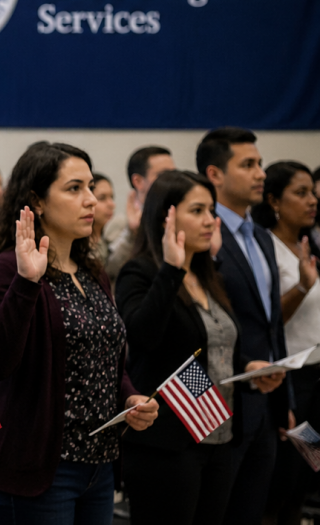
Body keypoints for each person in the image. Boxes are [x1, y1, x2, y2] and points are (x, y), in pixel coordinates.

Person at [0, 142, 157, 523]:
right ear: (37, 202)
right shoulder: (7, 269)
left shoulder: (91, 271)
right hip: (38, 467)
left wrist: (129, 396)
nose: (90, 200)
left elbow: (107, 358)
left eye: (90, 187)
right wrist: (27, 282)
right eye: (75, 189)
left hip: (98, 464)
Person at [116, 170, 247, 525]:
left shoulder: (209, 276)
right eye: (198, 210)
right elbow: (142, 339)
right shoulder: (140, 272)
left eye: (212, 210)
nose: (210, 220)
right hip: (167, 442)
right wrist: (172, 270)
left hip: (218, 435)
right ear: (167, 217)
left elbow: (218, 345)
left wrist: (249, 369)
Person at [196, 127, 288, 525]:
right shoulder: (202, 235)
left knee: (252, 514)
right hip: (223, 404)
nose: (260, 173)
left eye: (260, 164)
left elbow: (273, 324)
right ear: (215, 174)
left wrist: (287, 404)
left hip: (267, 405)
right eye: (247, 165)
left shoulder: (263, 238)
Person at [252, 161, 320, 524]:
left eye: (313, 192)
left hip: (317, 376)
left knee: (307, 476)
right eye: (301, 193)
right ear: (275, 200)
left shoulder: (311, 242)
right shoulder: (267, 247)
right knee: (283, 480)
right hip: (292, 378)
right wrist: (303, 286)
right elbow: (269, 322)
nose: (312, 200)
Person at [105, 146, 176, 280]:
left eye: (174, 174)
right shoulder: (121, 223)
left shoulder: (176, 216)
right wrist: (132, 233)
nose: (172, 182)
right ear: (138, 181)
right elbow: (111, 270)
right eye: (163, 175)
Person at [91, 173, 116, 265]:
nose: (111, 204)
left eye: (112, 197)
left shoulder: (114, 237)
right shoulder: (75, 246)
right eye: (102, 198)